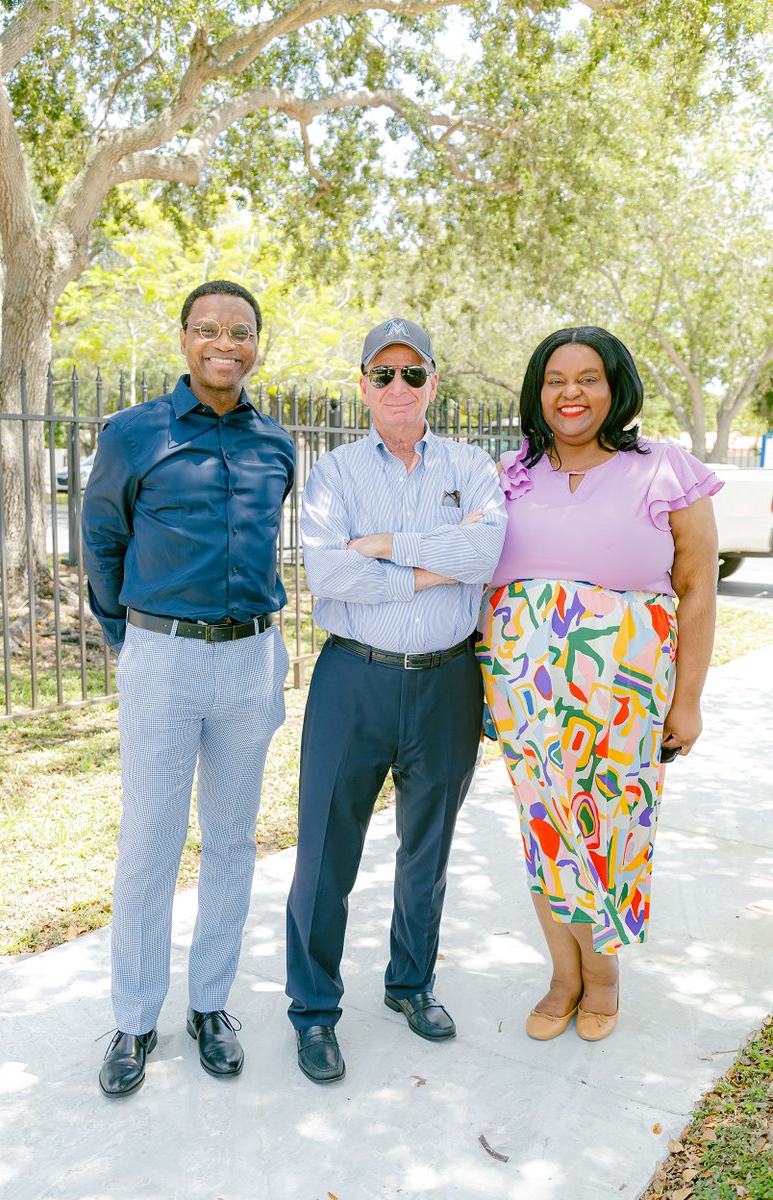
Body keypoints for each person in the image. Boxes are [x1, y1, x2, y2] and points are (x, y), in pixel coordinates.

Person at [476, 326, 722, 1042]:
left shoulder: (666, 468)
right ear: (538, 390)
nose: (571, 393)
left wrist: (689, 701)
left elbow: (697, 589)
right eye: (556, 379)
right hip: (527, 696)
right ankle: (562, 974)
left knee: (612, 833)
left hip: (626, 700)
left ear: (615, 388)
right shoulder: (510, 472)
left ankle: (604, 977)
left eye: (588, 378)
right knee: (546, 831)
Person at [82, 280, 295, 1096]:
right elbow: (103, 538)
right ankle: (135, 1018)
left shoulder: (275, 443)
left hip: (250, 659)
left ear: (254, 344)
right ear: (183, 340)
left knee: (233, 840)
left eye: (238, 331)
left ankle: (211, 1006)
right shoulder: (135, 434)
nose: (223, 343)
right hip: (164, 656)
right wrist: (129, 634)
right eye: (207, 329)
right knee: (151, 842)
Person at [285, 317, 507, 1083]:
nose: (399, 387)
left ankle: (410, 984)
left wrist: (384, 544)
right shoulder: (334, 472)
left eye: (413, 373)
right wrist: (436, 565)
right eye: (383, 374)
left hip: (448, 680)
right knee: (324, 854)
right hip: (356, 679)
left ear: (433, 382)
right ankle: (314, 1011)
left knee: (429, 849)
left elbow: (486, 552)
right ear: (363, 386)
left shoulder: (474, 465)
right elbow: (331, 576)